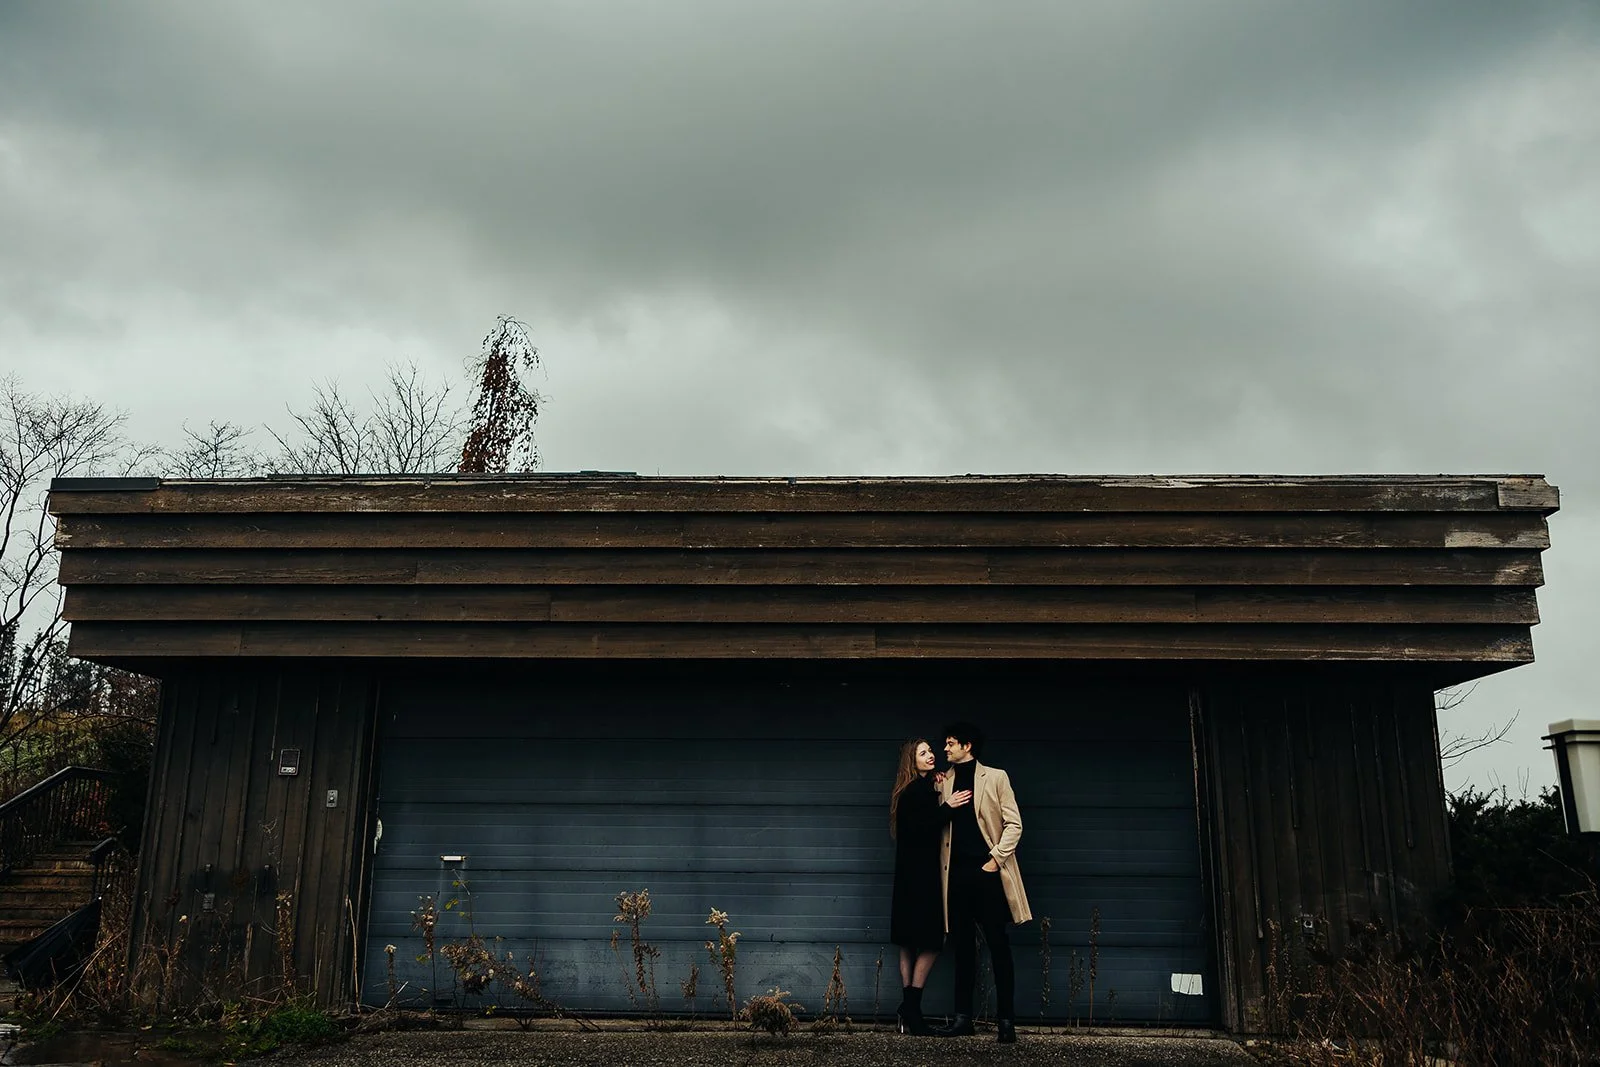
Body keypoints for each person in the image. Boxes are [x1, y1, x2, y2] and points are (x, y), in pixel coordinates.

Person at [935, 720, 1031, 1044]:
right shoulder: (943, 781)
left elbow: (1014, 825)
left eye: (951, 743)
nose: (945, 748)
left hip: (988, 874)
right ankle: (963, 1019)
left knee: (998, 945)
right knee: (962, 949)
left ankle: (1006, 1021)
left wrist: (995, 860)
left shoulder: (996, 777)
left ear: (967, 746)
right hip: (956, 875)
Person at [888, 737, 971, 1035]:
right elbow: (922, 829)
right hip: (921, 877)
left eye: (930, 751)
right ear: (912, 761)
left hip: (910, 876)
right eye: (923, 753)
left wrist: (938, 786)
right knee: (932, 941)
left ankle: (909, 1009)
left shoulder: (916, 789)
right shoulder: (915, 792)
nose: (931, 755)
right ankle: (912, 1008)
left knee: (909, 941)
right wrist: (948, 806)